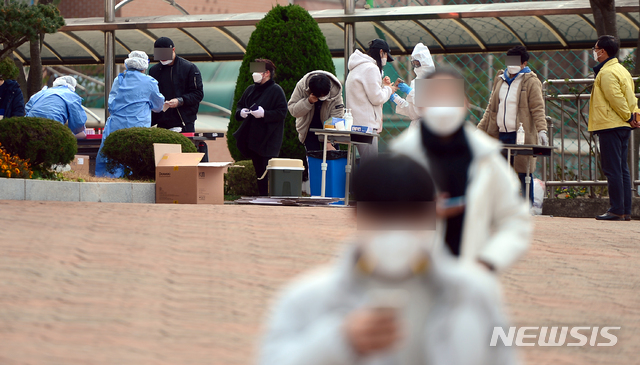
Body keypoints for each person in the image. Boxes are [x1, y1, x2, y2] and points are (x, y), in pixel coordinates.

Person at [258, 154, 518, 365]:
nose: (397, 229)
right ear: (356, 214)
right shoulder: (307, 299)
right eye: (383, 216)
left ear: (435, 213)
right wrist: (340, 341)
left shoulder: (472, 292)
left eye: (412, 216)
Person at [391, 67, 531, 273]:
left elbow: (515, 220)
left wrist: (489, 261)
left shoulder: (487, 157)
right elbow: (378, 219)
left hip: (471, 280)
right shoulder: (402, 156)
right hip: (415, 278)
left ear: (464, 104)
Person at [477, 46, 548, 203]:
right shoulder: (500, 79)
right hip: (500, 133)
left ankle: (527, 206)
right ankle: (501, 207)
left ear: (524, 63)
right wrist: (480, 129)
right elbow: (491, 108)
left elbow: (537, 108)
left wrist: (542, 129)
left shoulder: (531, 81)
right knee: (500, 172)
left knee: (523, 172)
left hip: (521, 135)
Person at [588, 35, 640, 221]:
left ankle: (616, 209)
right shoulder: (623, 71)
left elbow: (615, 98)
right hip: (623, 126)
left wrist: (627, 116)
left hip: (610, 124)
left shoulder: (607, 73)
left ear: (603, 51)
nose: (594, 51)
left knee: (612, 169)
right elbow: (631, 98)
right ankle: (625, 210)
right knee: (622, 168)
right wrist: (633, 117)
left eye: (595, 48)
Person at [95, 51, 165, 178]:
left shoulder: (119, 79)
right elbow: (158, 106)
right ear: (145, 66)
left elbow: (111, 105)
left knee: (112, 160)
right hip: (138, 127)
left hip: (115, 127)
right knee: (135, 161)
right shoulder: (150, 82)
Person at [233, 59, 288, 196]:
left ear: (267, 73)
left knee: (267, 171)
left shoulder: (276, 90)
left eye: (257, 71)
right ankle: (262, 197)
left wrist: (265, 114)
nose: (254, 74)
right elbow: (239, 105)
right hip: (253, 139)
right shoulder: (250, 89)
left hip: (269, 139)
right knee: (259, 173)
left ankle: (270, 198)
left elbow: (282, 112)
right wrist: (241, 112)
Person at [345, 39, 398, 161]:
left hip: (357, 124)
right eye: (385, 55)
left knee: (363, 162)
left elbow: (366, 94)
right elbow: (377, 98)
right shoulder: (371, 68)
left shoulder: (357, 67)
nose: (385, 60)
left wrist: (383, 86)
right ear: (381, 52)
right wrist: (389, 89)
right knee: (370, 163)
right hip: (366, 126)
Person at [149, 37, 204, 133]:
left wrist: (180, 101)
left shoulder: (189, 68)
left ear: (173, 50)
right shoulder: (154, 70)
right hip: (162, 121)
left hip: (184, 121)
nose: (163, 58)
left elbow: (198, 94)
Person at [289, 71, 344, 152]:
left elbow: (337, 116)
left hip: (330, 128)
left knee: (333, 156)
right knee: (313, 158)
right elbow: (293, 110)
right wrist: (308, 102)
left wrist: (329, 141)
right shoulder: (302, 86)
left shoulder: (335, 90)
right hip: (309, 128)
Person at [389, 43, 436, 128]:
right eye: (413, 63)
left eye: (417, 63)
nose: (415, 66)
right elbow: (413, 113)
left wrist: (409, 91)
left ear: (424, 61)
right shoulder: (415, 82)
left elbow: (426, 108)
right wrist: (396, 99)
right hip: (416, 127)